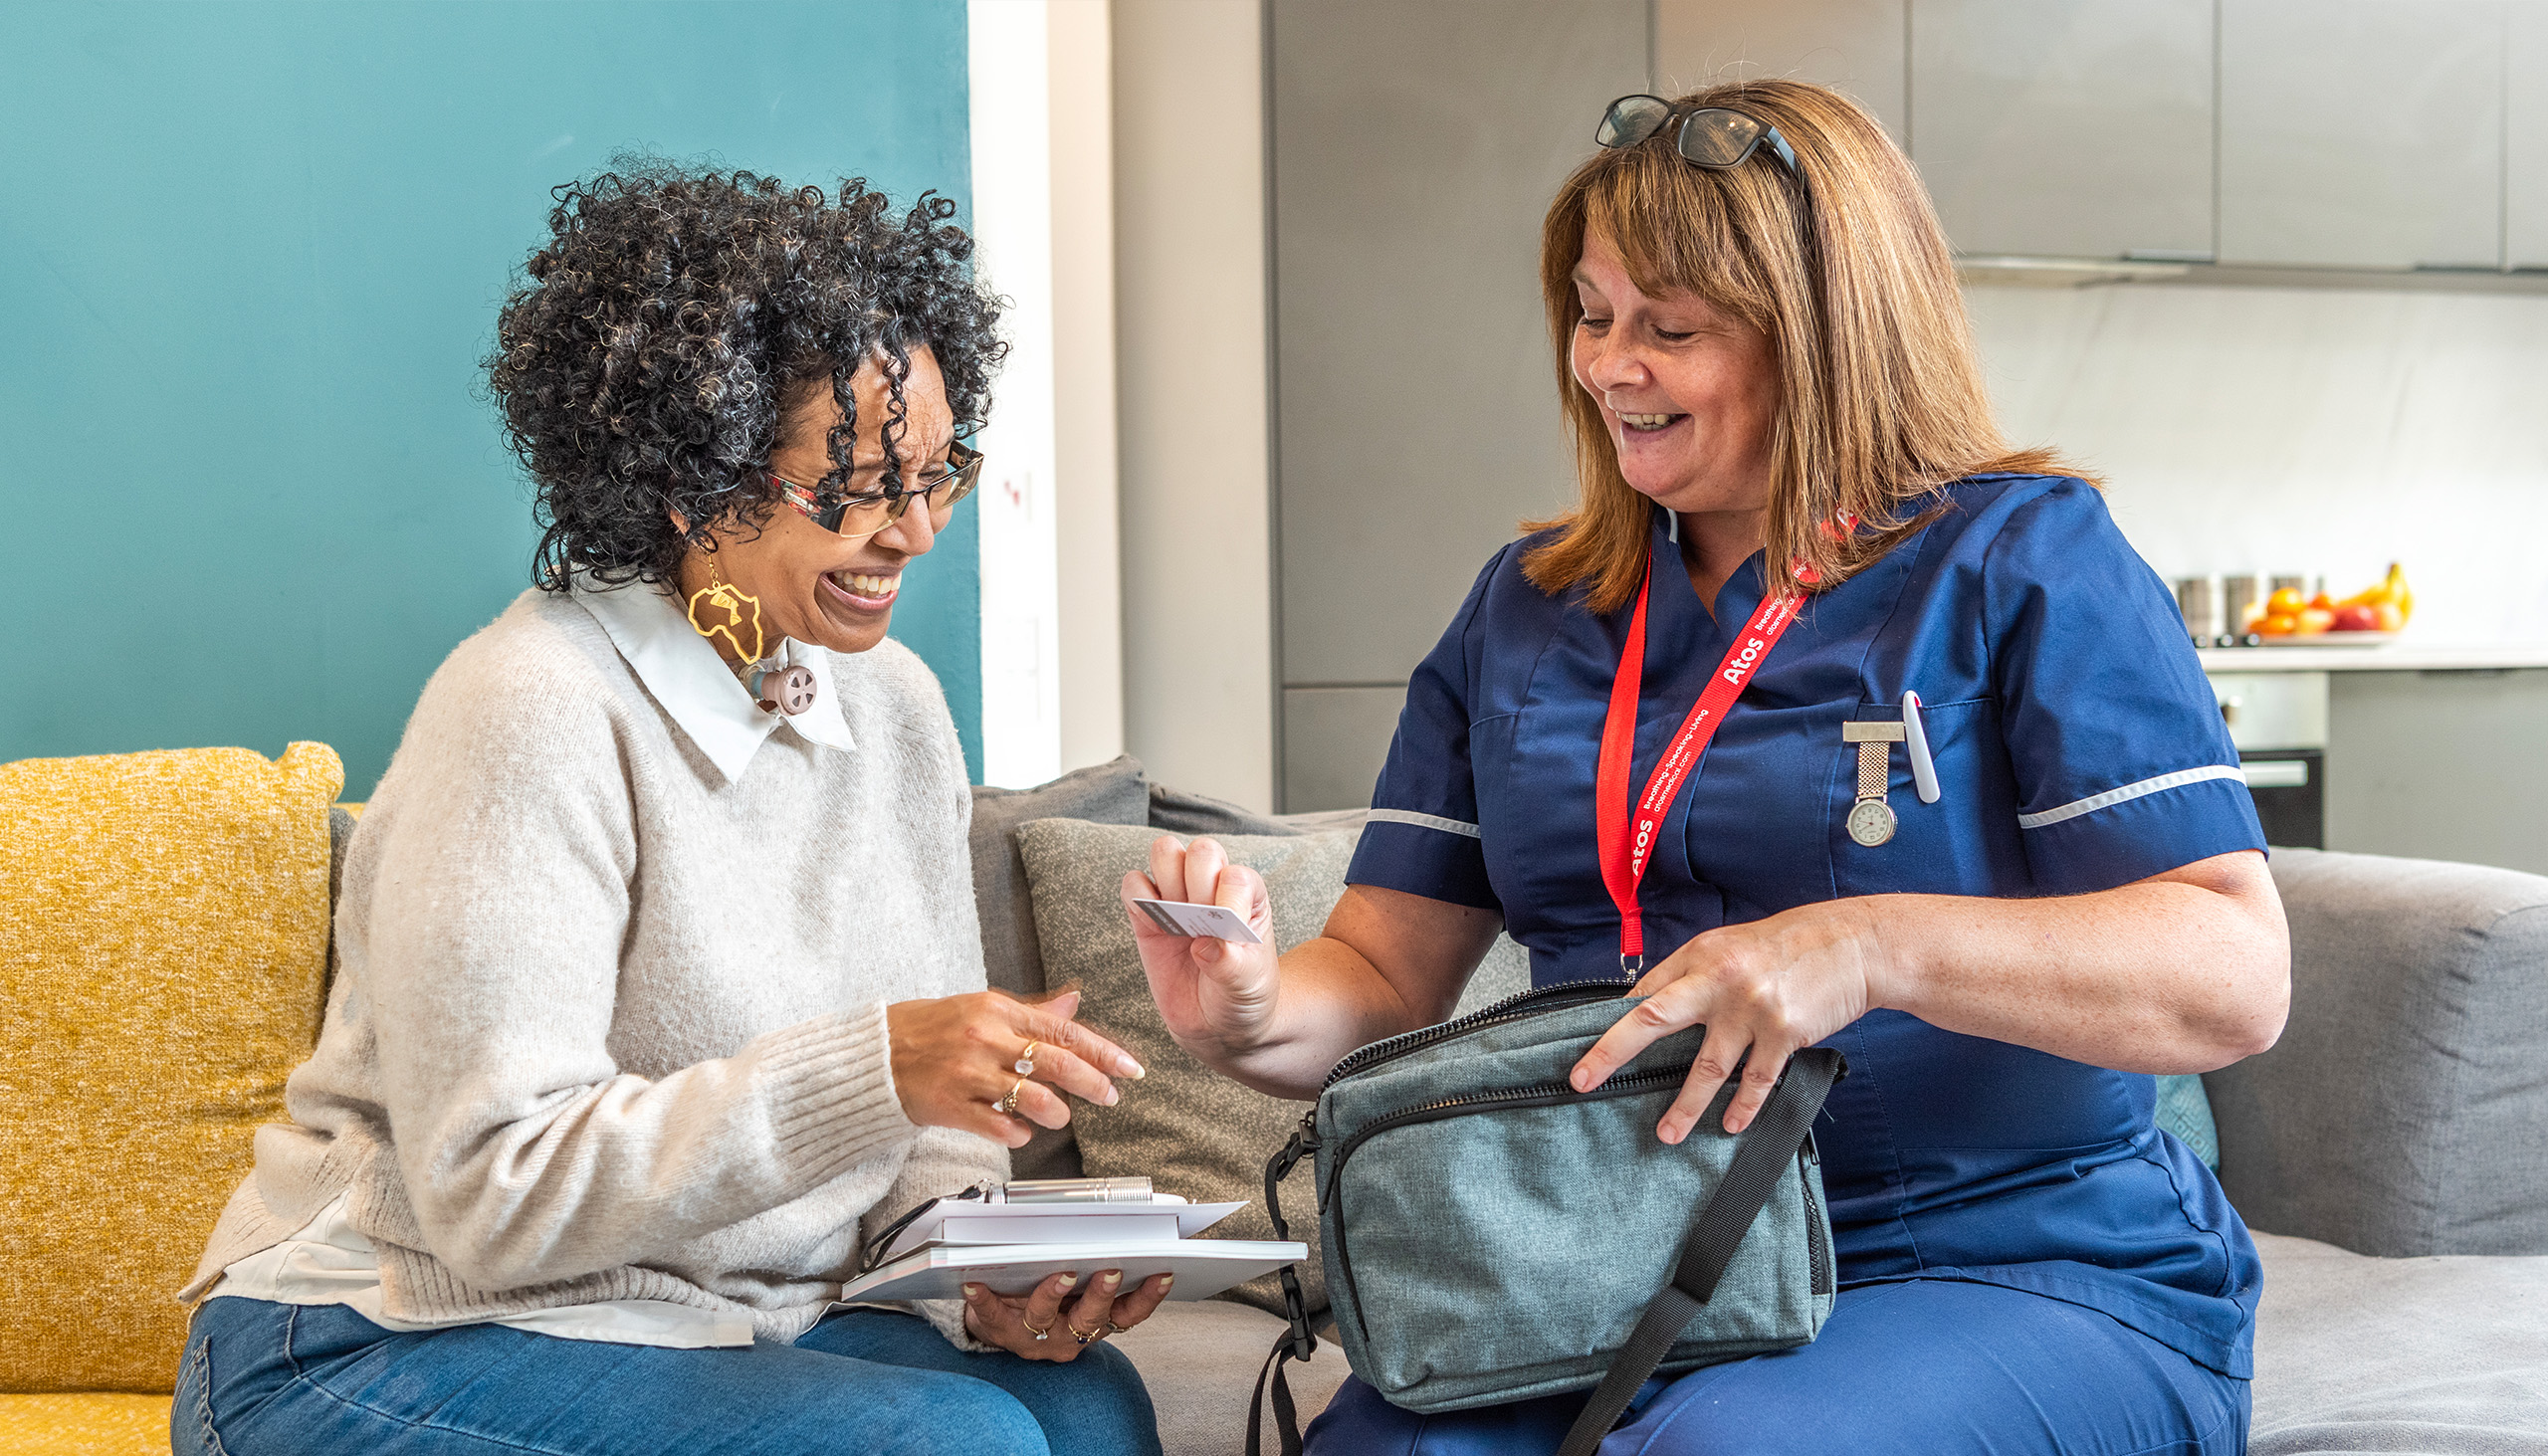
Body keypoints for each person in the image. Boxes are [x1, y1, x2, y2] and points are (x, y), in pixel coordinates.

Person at [1123, 81, 2287, 1454]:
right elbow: (1383, 982)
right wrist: (1250, 1015)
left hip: (1993, 1258)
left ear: (1826, 339)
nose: (1610, 365)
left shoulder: (2024, 566)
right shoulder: (1528, 609)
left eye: (1670, 330)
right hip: (1605, 1265)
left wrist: (1867, 946)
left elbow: (2233, 974)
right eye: (1594, 315)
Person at [173, 163, 1168, 1456]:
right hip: (392, 1332)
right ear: (692, 482)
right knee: (950, 1451)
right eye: (852, 489)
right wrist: (876, 1069)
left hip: (720, 1319)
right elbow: (496, 1196)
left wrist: (978, 1278)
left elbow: (924, 1143)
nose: (915, 534)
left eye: (936, 475)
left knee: (1085, 1412)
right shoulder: (531, 705)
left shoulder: (895, 710)